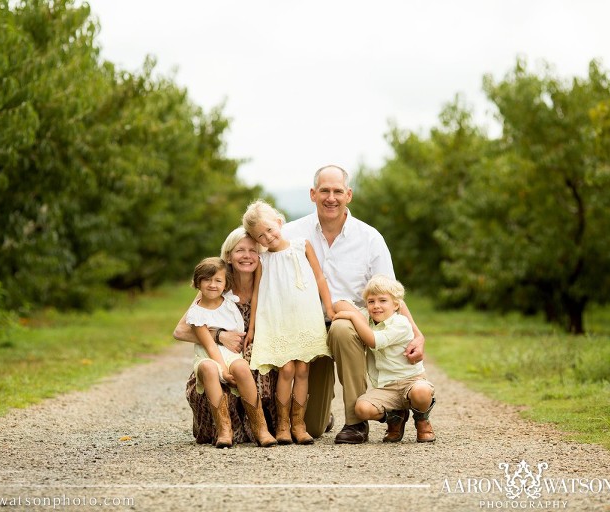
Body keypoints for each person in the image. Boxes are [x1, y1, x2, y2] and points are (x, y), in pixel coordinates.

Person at [281, 164, 426, 444]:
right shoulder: (291, 234)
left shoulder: (370, 238)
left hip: (352, 327)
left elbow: (391, 295)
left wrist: (417, 334)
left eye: (338, 191)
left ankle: (355, 422)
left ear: (349, 195)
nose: (331, 198)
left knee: (342, 327)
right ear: (313, 194)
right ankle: (324, 416)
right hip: (307, 328)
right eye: (325, 190)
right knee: (310, 428)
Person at [173, 228, 279, 446]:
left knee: (247, 368)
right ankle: (224, 429)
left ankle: (262, 427)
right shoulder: (216, 288)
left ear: (260, 255)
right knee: (216, 370)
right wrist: (219, 336)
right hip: (218, 355)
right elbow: (181, 330)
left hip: (253, 354)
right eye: (240, 250)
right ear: (229, 255)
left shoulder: (266, 283)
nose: (247, 256)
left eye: (253, 250)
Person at [242, 199, 334, 445]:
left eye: (270, 230)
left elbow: (320, 278)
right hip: (278, 319)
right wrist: (251, 327)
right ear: (256, 240)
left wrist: (330, 309)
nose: (268, 237)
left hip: (305, 316)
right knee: (287, 369)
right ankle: (282, 424)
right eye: (261, 236)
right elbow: (258, 294)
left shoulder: (302, 246)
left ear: (279, 223)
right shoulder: (264, 261)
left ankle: (299, 423)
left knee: (303, 369)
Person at [333, 274, 436, 443]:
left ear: (396, 305)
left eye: (382, 301)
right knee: (361, 409)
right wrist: (350, 311)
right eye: (371, 301)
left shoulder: (401, 324)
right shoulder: (370, 318)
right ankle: (395, 417)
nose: (376, 306)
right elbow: (339, 303)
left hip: (411, 382)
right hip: (386, 388)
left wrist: (352, 317)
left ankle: (422, 419)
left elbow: (374, 341)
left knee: (421, 392)